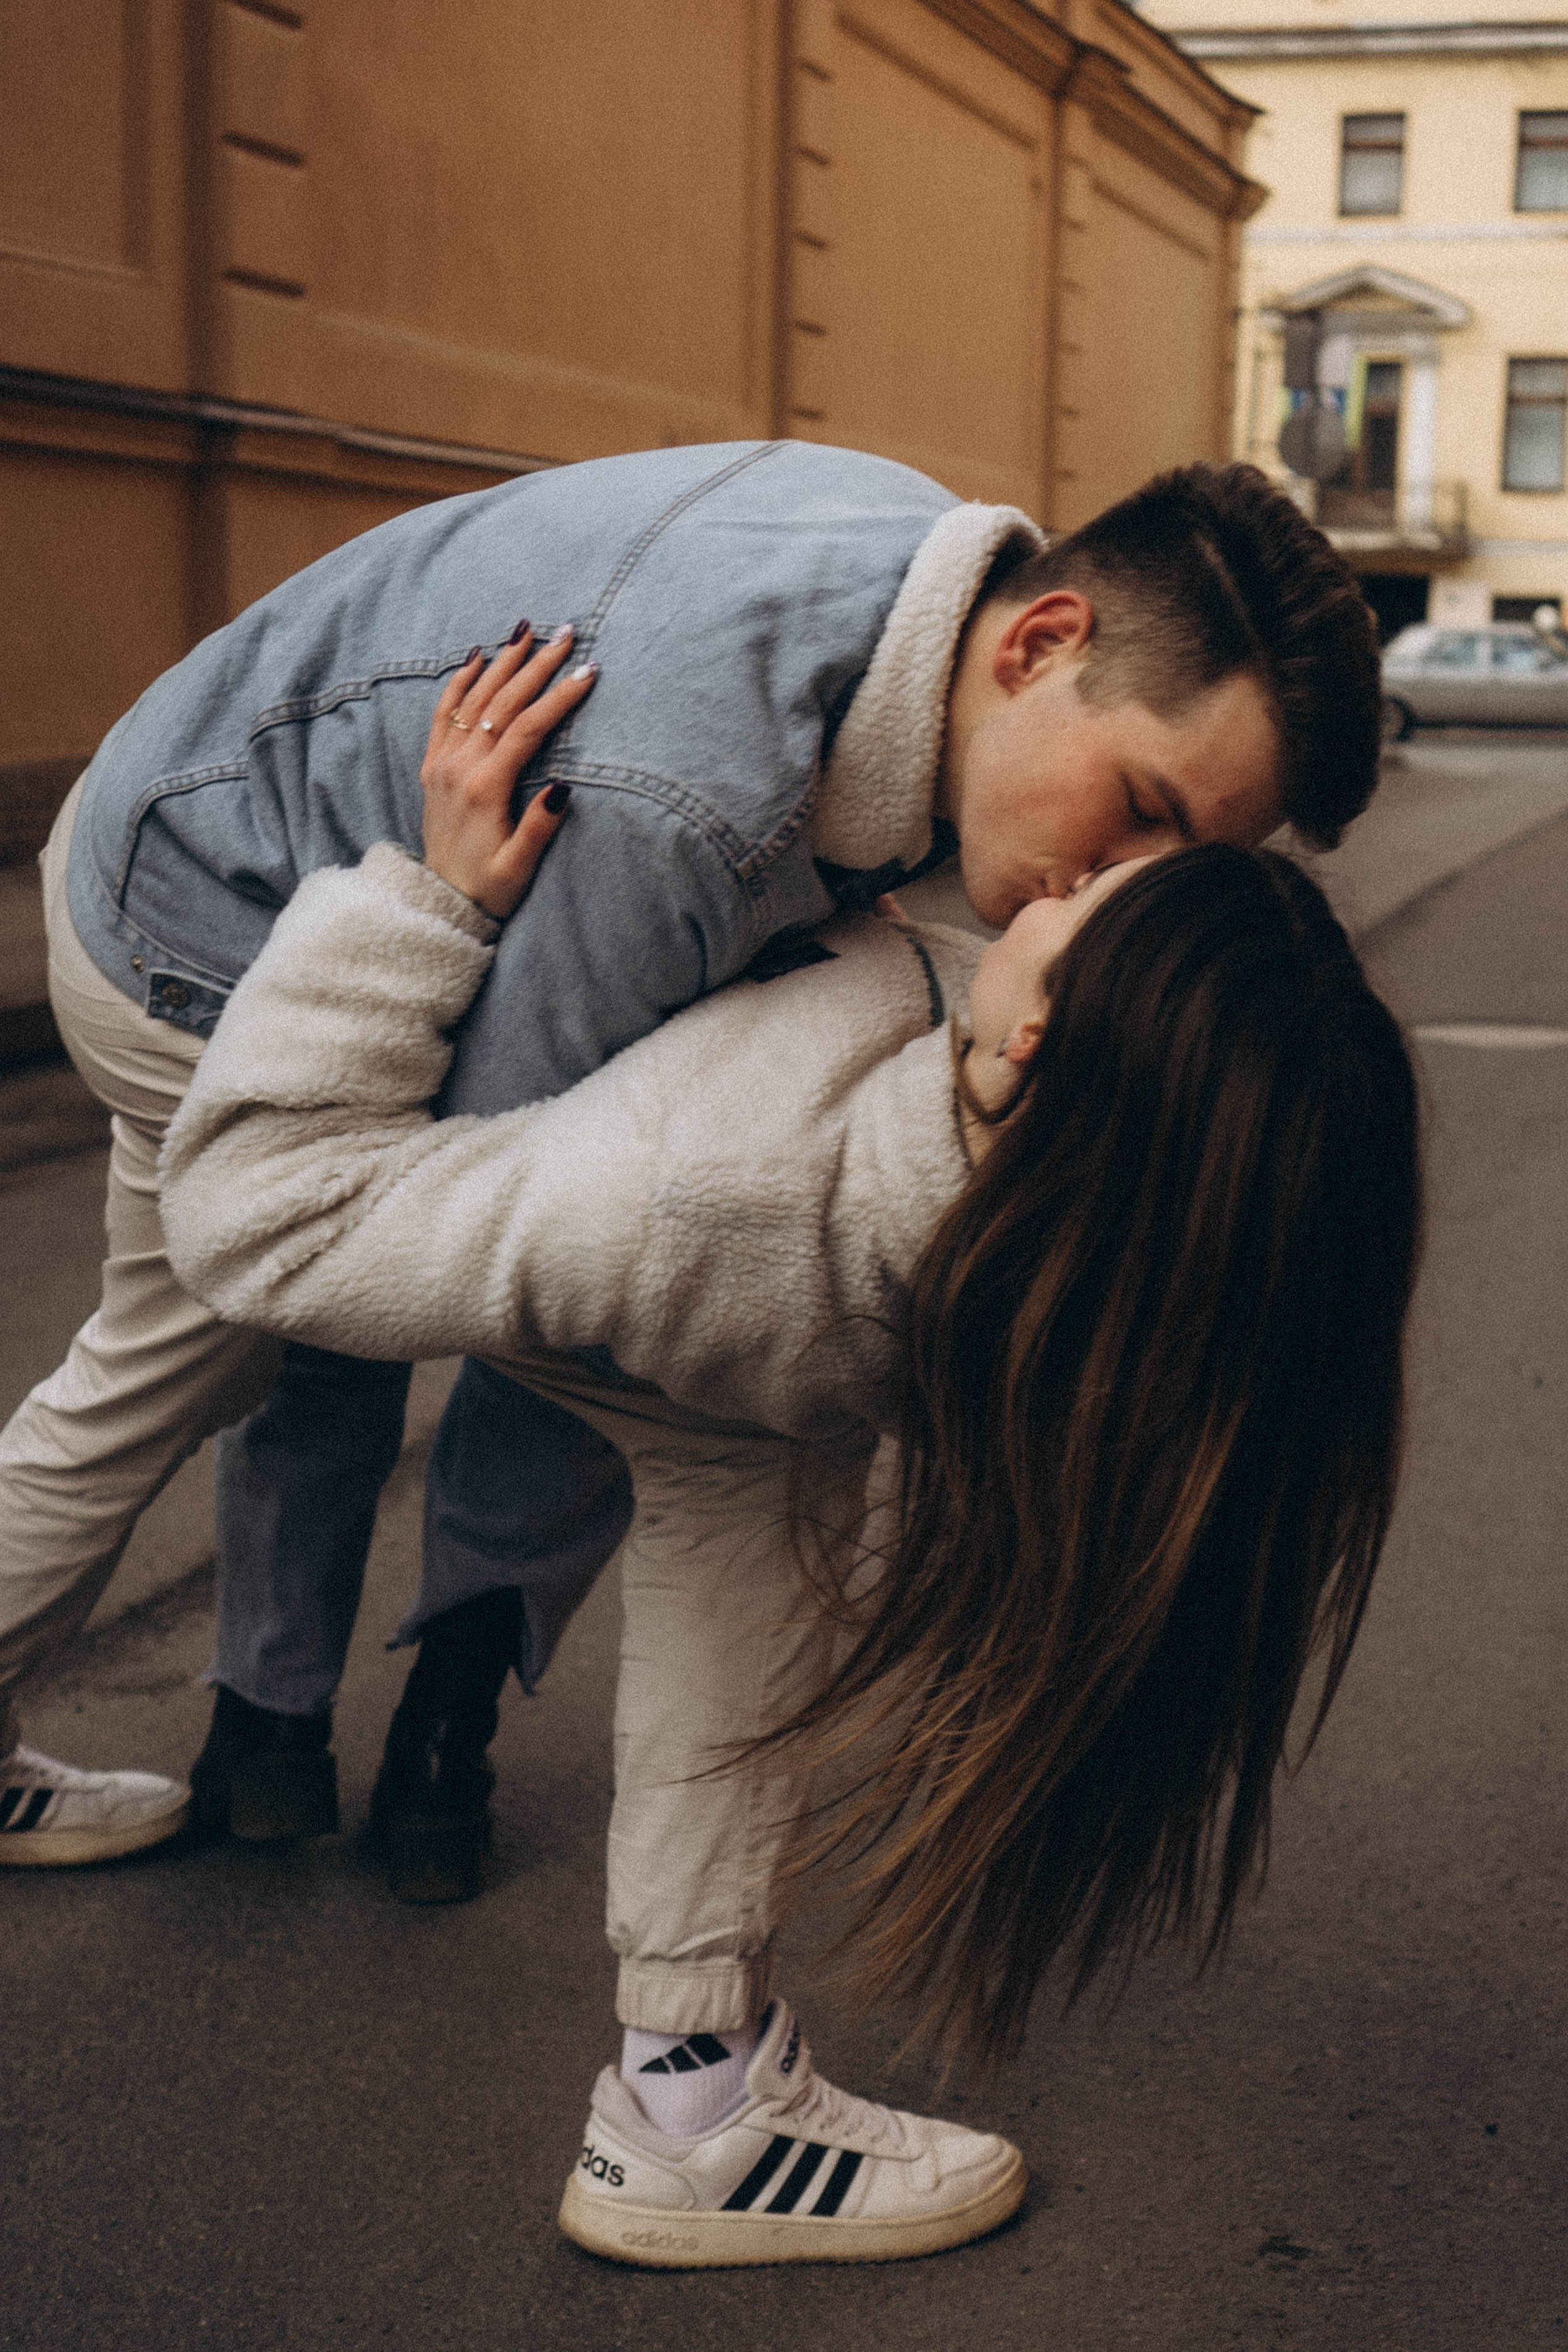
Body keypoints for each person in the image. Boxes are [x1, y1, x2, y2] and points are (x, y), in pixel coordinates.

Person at [154, 652, 1422, 2267]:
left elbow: (259, 1223)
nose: (1065, 876)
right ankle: (687, 2102)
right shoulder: (1081, 1149)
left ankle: (687, 2108)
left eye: (1085, 901)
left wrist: (424, 899)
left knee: (728, 1538)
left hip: (616, 1231)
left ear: (1033, 1037)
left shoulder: (687, 1185)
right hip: (788, 1301)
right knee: (746, 1570)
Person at [0, 447, 1380, 1884]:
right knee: (375, 1336)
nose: (1118, 887)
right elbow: (461, 1189)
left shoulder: (941, 602)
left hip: (231, 808)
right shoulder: (684, 799)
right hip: (188, 916)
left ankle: (321, 1726)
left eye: (1180, 864)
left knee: (603, 1290)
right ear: (1042, 641)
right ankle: (391, 1749)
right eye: (1144, 806)